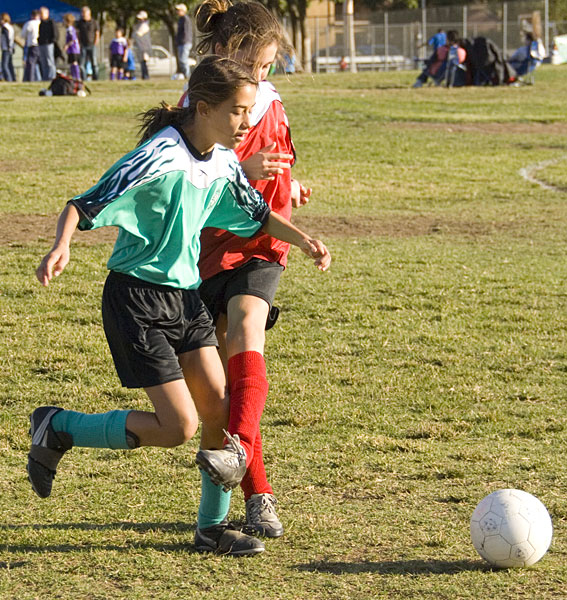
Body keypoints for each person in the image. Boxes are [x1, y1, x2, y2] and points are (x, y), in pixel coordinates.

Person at [30, 55, 330, 556]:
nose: (246, 122)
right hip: (136, 298)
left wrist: (303, 241)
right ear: (204, 108)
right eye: (238, 111)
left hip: (185, 298)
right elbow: (84, 204)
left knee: (220, 408)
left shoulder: (224, 161)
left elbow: (257, 214)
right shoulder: (159, 155)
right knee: (179, 427)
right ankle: (58, 426)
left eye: (250, 111)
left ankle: (211, 529)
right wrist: (61, 246)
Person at [178, 0, 314, 539]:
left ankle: (248, 477)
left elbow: (279, 160)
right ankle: (256, 491)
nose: (259, 76)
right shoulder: (197, 106)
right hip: (207, 249)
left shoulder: (270, 102)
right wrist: (241, 167)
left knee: (246, 330)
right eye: (252, 65)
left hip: (261, 243)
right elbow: (184, 179)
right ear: (220, 51)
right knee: (227, 389)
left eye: (267, 66)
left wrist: (289, 186)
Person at [77, 5, 100, 80]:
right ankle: (84, 78)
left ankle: (95, 78)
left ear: (89, 13)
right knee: (82, 64)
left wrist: (96, 42)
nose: (83, 15)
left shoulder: (94, 22)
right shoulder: (80, 23)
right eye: (82, 13)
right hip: (83, 45)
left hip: (92, 45)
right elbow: (77, 33)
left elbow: (97, 33)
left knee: (94, 63)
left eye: (84, 13)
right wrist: (79, 43)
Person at [38, 7, 57, 81]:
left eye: (42, 13)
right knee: (43, 61)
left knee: (49, 61)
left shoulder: (50, 22)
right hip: (42, 44)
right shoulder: (41, 23)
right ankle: (45, 77)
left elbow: (55, 32)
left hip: (48, 43)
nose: (40, 15)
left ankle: (52, 76)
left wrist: (52, 40)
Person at [21, 10, 41, 82]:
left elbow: (23, 35)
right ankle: (40, 78)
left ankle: (31, 79)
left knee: (31, 63)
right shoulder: (41, 23)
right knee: (40, 63)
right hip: (41, 45)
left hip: (32, 44)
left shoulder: (29, 23)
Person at [132, 11, 152, 80]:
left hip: (144, 47)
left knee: (144, 61)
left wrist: (134, 34)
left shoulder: (145, 25)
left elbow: (138, 34)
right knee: (142, 61)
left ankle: (146, 76)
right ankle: (144, 75)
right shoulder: (139, 25)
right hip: (140, 47)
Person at [175, 3, 193, 79]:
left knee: (183, 60)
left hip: (185, 42)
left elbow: (186, 32)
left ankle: (188, 76)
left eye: (178, 10)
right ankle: (185, 75)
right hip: (181, 43)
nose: (177, 12)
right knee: (181, 60)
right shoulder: (180, 19)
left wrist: (183, 40)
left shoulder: (185, 19)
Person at [63, 14, 81, 81]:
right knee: (71, 63)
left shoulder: (70, 29)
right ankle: (73, 76)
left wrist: (67, 45)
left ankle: (77, 77)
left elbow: (72, 39)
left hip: (74, 49)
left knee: (74, 62)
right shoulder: (69, 29)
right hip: (71, 50)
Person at [1, 13, 16, 82]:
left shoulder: (4, 27)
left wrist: (7, 46)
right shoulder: (10, 27)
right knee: (10, 64)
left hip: (6, 48)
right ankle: (13, 78)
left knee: (4, 65)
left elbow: (7, 38)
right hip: (10, 47)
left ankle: (9, 78)